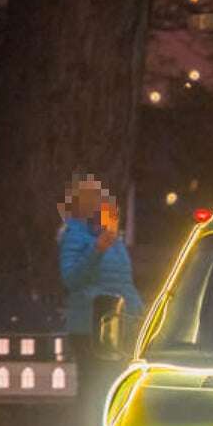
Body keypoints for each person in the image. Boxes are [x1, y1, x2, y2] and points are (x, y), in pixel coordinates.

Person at [58, 174, 144, 409]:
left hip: (118, 324)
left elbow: (123, 282)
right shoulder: (74, 236)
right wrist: (96, 250)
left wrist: (139, 311)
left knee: (117, 387)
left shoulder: (112, 238)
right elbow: (71, 278)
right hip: (90, 327)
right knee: (95, 390)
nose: (101, 201)